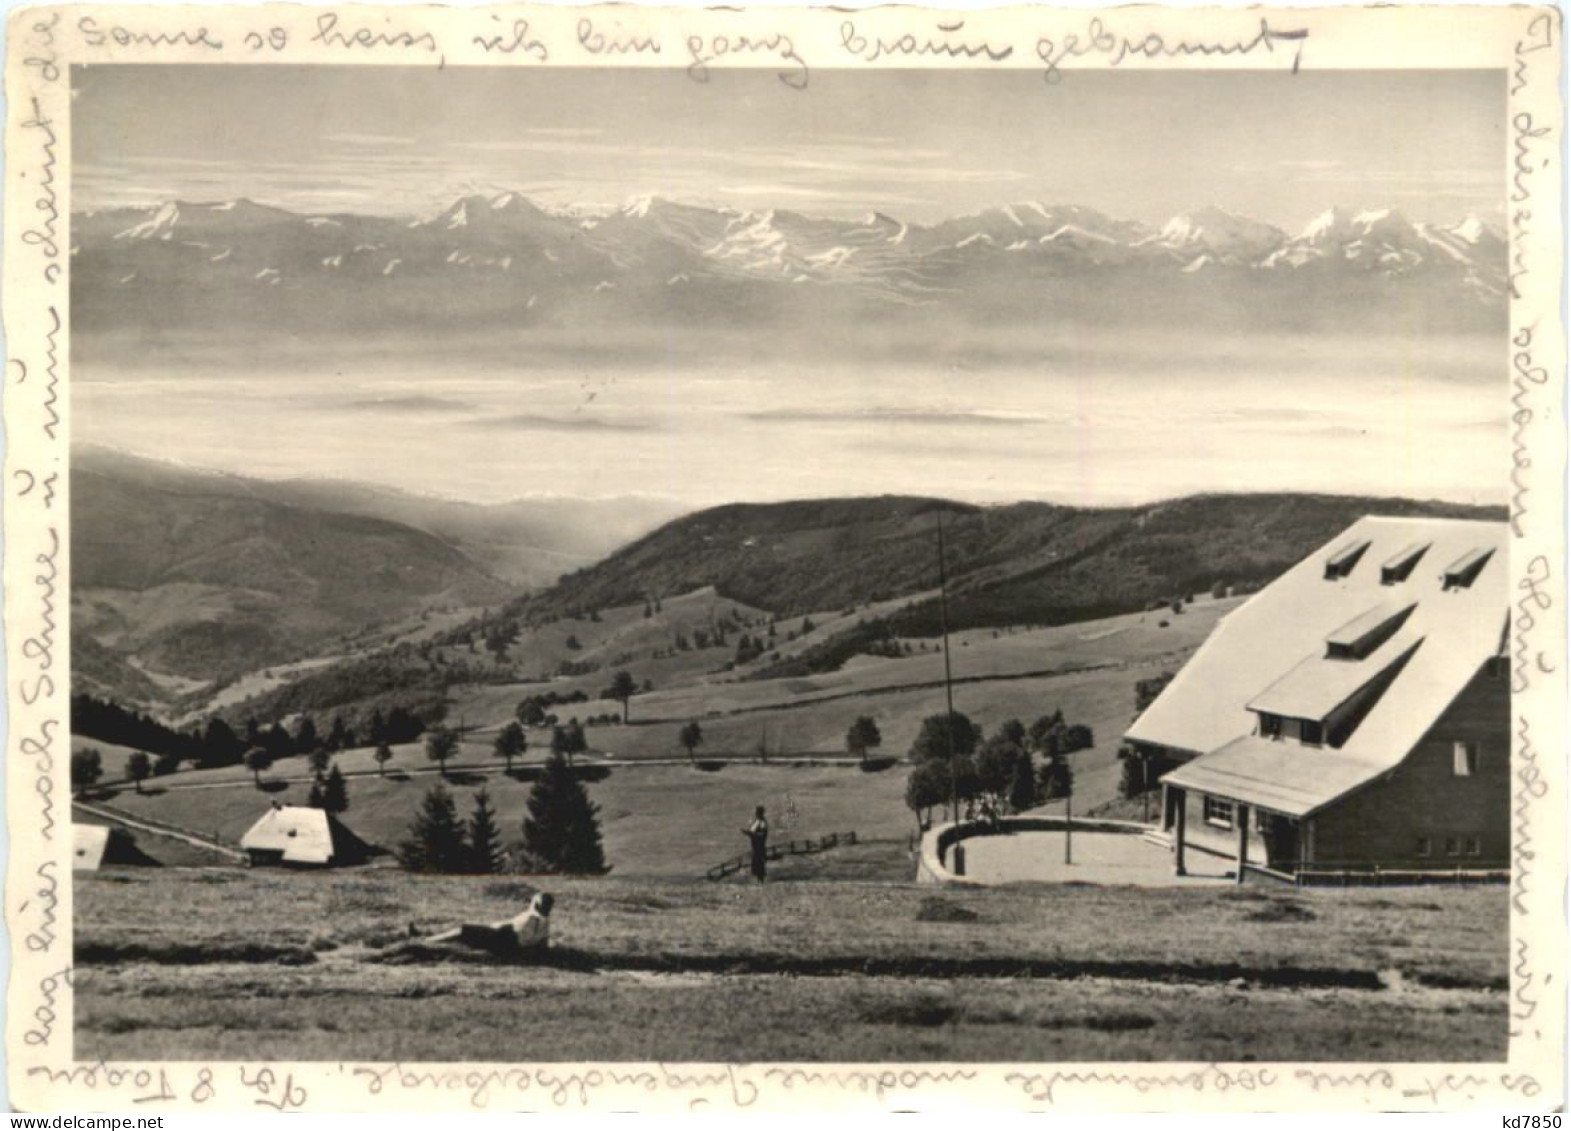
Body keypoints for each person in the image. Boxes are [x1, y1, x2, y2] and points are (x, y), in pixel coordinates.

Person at [742, 805, 769, 883]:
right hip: (755, 845)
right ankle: (758, 880)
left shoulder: (762, 822)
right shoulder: (758, 821)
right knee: (756, 862)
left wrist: (750, 834)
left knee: (759, 862)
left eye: (757, 812)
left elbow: (762, 834)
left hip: (759, 846)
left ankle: (760, 880)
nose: (756, 814)